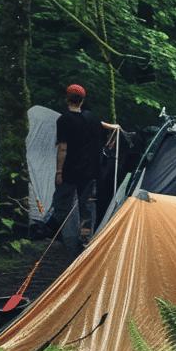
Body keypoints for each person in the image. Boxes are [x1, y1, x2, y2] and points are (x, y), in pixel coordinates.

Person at [54, 84, 121, 249]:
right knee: (87, 204)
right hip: (90, 171)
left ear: (66, 98)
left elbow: (63, 147)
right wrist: (115, 128)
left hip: (70, 170)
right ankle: (86, 238)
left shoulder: (64, 120)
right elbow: (107, 126)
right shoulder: (91, 117)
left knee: (63, 203)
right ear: (82, 100)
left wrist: (58, 171)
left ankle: (67, 239)